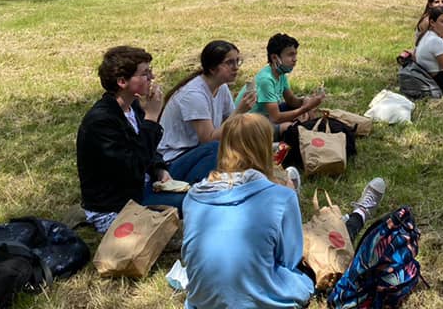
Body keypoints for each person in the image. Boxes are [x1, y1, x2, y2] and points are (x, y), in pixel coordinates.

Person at [182, 113, 387, 309]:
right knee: (319, 248)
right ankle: (357, 216)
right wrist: (287, 197)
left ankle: (307, 219)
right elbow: (291, 258)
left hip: (203, 300)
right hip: (262, 300)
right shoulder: (279, 197)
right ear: (264, 149)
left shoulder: (193, 196)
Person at [76, 45, 186, 232]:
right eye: (144, 73)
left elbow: (146, 150)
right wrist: (152, 117)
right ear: (122, 81)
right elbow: (133, 165)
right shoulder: (102, 122)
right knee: (194, 201)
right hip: (119, 204)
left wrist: (159, 168)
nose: (151, 78)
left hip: (145, 184)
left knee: (208, 151)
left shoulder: (132, 106)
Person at [157, 40, 257, 181]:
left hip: (199, 154)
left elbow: (233, 126)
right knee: (215, 148)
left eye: (237, 61)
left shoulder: (221, 87)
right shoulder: (194, 95)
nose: (236, 67)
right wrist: (240, 111)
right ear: (212, 68)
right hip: (173, 162)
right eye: (229, 63)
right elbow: (208, 140)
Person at [239, 33, 325, 137]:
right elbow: (276, 118)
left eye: (295, 54)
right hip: (248, 127)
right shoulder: (266, 80)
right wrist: (305, 108)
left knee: (301, 115)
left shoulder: (280, 74)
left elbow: (291, 101)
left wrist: (305, 101)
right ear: (275, 58)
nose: (295, 59)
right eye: (290, 55)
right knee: (288, 127)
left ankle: (312, 132)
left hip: (264, 117)